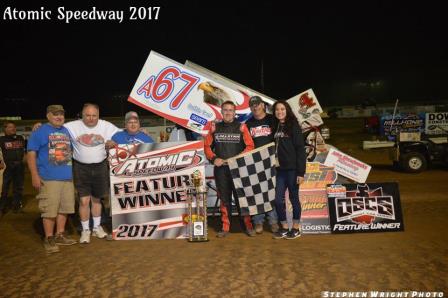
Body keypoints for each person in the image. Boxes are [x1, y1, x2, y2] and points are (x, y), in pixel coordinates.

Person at [64, 103, 120, 244]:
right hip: (80, 167)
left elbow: (123, 134)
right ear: (82, 115)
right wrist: (40, 125)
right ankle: (85, 230)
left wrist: (142, 131)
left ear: (98, 115)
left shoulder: (106, 126)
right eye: (87, 115)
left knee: (96, 199)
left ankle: (96, 227)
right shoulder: (71, 126)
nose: (91, 118)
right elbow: (54, 129)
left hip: (100, 166)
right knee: (84, 200)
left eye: (94, 115)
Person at [27, 105, 77, 253]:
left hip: (67, 178)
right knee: (49, 209)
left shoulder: (66, 130)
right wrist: (35, 175)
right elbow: (31, 155)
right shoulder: (40, 131)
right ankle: (49, 238)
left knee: (65, 208)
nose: (59, 116)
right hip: (48, 178)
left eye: (61, 114)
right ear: (48, 115)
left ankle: (60, 234)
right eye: (55, 114)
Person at [204, 100, 256, 237]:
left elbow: (250, 146)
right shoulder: (214, 127)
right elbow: (207, 146)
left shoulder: (241, 127)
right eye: (225, 110)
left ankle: (248, 226)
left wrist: (238, 159)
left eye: (230, 110)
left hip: (239, 169)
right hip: (221, 170)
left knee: (242, 198)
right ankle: (225, 228)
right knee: (224, 199)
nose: (228, 112)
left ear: (234, 112)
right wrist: (214, 159)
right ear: (221, 112)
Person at [271, 100, 306, 240]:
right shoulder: (275, 126)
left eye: (282, 109)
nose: (280, 112)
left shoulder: (294, 126)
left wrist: (301, 173)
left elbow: (300, 150)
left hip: (292, 170)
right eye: (277, 110)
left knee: (293, 199)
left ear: (287, 110)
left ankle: (296, 228)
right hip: (279, 171)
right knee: (278, 200)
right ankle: (285, 227)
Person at [245, 96, 279, 234]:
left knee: (271, 192)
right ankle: (258, 222)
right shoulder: (248, 124)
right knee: (257, 193)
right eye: (252, 105)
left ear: (263, 105)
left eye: (257, 104)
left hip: (272, 161)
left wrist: (278, 156)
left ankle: (273, 221)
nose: (255, 107)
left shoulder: (273, 120)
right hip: (255, 162)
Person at [0, 121, 26, 214]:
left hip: (19, 165)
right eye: (10, 127)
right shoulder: (1, 140)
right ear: (5, 129)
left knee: (18, 186)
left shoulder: (20, 138)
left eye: (14, 127)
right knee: (4, 187)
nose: (13, 128)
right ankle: (2, 206)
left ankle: (16, 205)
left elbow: (25, 151)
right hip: (7, 166)